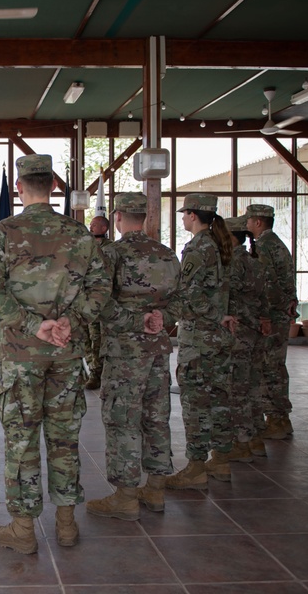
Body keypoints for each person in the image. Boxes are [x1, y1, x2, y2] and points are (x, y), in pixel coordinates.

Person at [0, 154, 110, 554]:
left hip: (21, 356)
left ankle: (22, 531)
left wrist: (34, 325)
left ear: (19, 187)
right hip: (66, 353)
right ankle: (66, 525)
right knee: (65, 437)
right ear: (53, 185)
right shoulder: (80, 234)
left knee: (22, 438)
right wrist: (71, 320)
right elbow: (101, 287)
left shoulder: (4, 232)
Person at [85, 192, 178, 521]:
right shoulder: (167, 255)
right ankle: (155, 489)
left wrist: (135, 321)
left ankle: (125, 496)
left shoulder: (112, 254)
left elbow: (97, 302)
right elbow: (183, 301)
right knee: (156, 416)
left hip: (125, 352)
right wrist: (161, 320)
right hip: (158, 351)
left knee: (123, 419)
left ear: (119, 216)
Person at [163, 193, 235, 490]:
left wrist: (169, 316)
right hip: (217, 337)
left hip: (199, 338)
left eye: (184, 214)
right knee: (219, 400)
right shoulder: (219, 245)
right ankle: (220, 460)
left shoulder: (197, 248)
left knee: (195, 403)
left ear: (193, 215)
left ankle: (195, 467)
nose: (182, 218)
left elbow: (187, 293)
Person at [244, 204, 297, 442]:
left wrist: (264, 313)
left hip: (273, 316)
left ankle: (277, 418)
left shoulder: (264, 246)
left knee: (270, 367)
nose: (246, 225)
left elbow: (268, 285)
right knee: (275, 366)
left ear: (257, 222)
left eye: (248, 221)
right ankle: (278, 417)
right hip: (280, 313)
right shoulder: (276, 243)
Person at [222, 216, 269, 463]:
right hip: (254, 331)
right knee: (252, 384)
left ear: (230, 237)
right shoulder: (256, 262)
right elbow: (265, 298)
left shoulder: (233, 265)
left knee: (236, 388)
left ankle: (240, 442)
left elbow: (225, 298)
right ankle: (255, 438)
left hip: (238, 331)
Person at [84, 214, 113, 391]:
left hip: (101, 301)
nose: (91, 227)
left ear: (104, 228)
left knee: (97, 340)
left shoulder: (110, 249)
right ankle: (90, 369)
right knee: (85, 338)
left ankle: (97, 373)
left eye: (95, 225)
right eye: (91, 224)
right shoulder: (87, 246)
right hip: (85, 299)